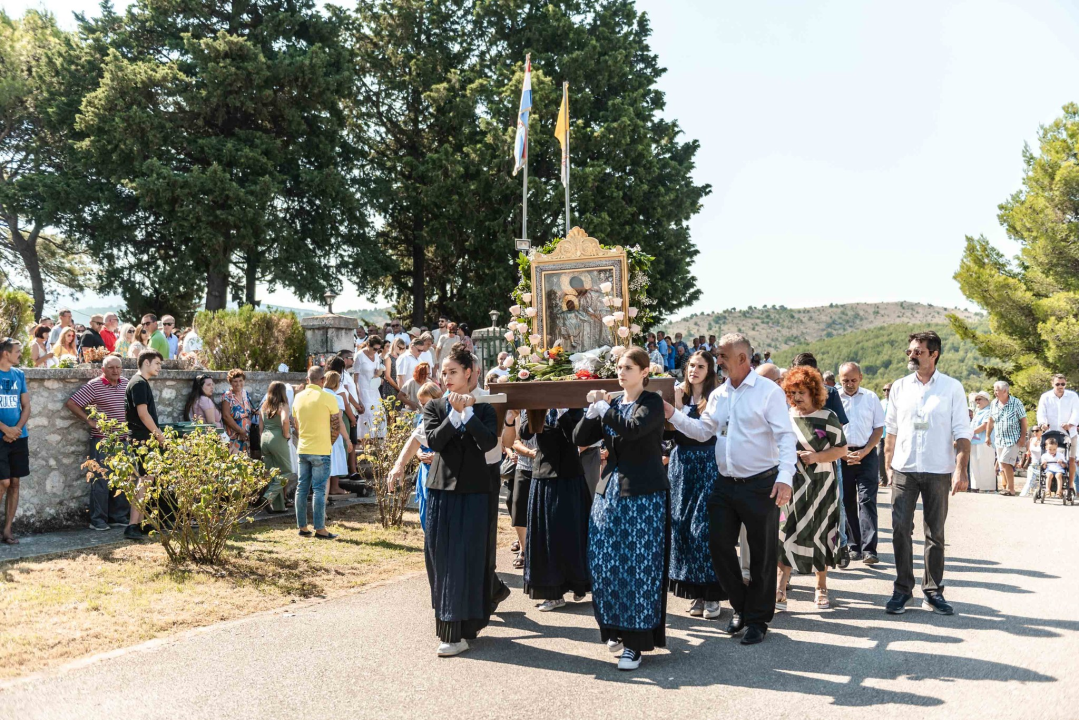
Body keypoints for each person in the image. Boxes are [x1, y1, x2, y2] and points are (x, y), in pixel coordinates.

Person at [663, 332, 796, 647]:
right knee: (718, 548)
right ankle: (741, 604)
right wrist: (672, 414)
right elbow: (702, 431)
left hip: (762, 484)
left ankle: (757, 620)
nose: (717, 361)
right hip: (725, 485)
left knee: (763, 556)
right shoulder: (720, 395)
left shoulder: (768, 393)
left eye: (722, 356)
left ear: (742, 358)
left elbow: (785, 437)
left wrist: (786, 476)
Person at [573, 346, 669, 671]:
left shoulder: (651, 403)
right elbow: (579, 437)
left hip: (642, 494)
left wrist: (604, 408)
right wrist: (592, 412)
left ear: (644, 372)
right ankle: (613, 627)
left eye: (628, 367)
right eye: (619, 366)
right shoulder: (612, 404)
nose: (621, 371)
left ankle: (636, 644)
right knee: (604, 562)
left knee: (638, 567)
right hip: (608, 492)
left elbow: (634, 430)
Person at [884, 330, 971, 616]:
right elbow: (892, 431)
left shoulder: (951, 388)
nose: (912, 355)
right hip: (904, 469)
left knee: (935, 533)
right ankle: (902, 590)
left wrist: (961, 470)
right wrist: (887, 464)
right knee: (900, 529)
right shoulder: (899, 387)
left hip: (937, 469)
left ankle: (932, 592)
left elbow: (961, 432)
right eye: (910, 351)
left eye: (918, 351)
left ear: (934, 354)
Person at [422, 345, 502, 657]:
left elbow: (488, 441)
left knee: (470, 557)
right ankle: (449, 628)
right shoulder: (435, 407)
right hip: (441, 492)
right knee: (443, 558)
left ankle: (468, 624)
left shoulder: (483, 408)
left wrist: (467, 413)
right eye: (443, 373)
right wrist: (454, 415)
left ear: (469, 373)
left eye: (453, 371)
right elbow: (435, 441)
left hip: (475, 492)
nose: (446, 377)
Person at [776, 366, 847, 611]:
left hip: (822, 485)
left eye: (801, 393)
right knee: (785, 532)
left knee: (819, 532)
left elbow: (842, 450)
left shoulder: (828, 417)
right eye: (792, 393)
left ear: (813, 392)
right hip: (791, 484)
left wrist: (816, 457)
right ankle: (781, 588)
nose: (796, 398)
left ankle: (821, 587)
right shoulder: (785, 416)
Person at [668, 350, 724, 620]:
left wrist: (678, 411)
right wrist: (675, 404)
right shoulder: (677, 392)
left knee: (703, 530)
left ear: (710, 370)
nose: (694, 370)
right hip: (681, 466)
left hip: (707, 463)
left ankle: (713, 594)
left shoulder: (715, 397)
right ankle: (695, 593)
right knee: (681, 527)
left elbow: (705, 432)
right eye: (691, 365)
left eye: (700, 366)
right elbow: (667, 429)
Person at [519, 405, 591, 612]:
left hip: (571, 477)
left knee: (574, 531)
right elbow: (524, 433)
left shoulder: (575, 410)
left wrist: (563, 413)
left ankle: (579, 583)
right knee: (547, 534)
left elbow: (577, 439)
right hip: (544, 475)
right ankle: (553, 593)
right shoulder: (537, 409)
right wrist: (533, 412)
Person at [65, 355, 131, 530]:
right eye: (111, 368)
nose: (115, 371)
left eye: (118, 367)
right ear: (103, 369)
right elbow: (72, 403)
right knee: (100, 481)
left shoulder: (125, 383)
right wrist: (89, 421)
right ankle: (98, 520)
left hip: (122, 440)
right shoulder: (94, 385)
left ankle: (118, 516)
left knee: (121, 479)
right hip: (102, 441)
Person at [836, 362, 885, 565]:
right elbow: (831, 429)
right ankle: (853, 546)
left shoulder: (871, 398)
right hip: (841, 455)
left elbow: (878, 429)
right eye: (845, 380)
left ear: (861, 378)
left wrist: (864, 452)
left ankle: (869, 549)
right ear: (840, 379)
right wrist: (843, 452)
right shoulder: (834, 398)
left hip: (866, 455)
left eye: (853, 380)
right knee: (847, 500)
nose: (849, 384)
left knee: (867, 500)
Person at [292, 365, 342, 540]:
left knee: (301, 488)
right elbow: (336, 425)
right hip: (321, 448)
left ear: (307, 379)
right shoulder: (328, 397)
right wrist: (329, 442)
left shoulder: (298, 398)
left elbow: (296, 424)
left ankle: (302, 526)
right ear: (323, 380)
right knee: (319, 489)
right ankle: (320, 528)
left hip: (303, 448)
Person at [123, 350, 165, 541]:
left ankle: (141, 523)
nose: (159, 367)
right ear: (146, 363)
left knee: (147, 480)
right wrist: (159, 436)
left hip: (145, 439)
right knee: (144, 480)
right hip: (142, 439)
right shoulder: (139, 383)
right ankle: (132, 525)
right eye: (157, 363)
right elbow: (143, 414)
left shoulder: (141, 382)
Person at [388, 381, 442, 529]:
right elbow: (416, 441)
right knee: (425, 507)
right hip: (425, 467)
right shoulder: (422, 418)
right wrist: (419, 454)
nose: (423, 407)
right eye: (421, 404)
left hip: (439, 468)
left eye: (426, 404)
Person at [0, 337, 30, 545]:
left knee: (15, 483)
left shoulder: (19, 374)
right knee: (4, 482)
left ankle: (8, 530)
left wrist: (17, 429)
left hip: (19, 436)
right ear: (5, 353)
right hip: (1, 437)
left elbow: (26, 406)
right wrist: (6, 430)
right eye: (17, 351)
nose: (20, 354)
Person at [1036, 374, 1078, 495]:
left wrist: (1070, 423)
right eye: (1057, 384)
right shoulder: (1045, 397)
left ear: (1066, 383)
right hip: (1051, 432)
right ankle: (1047, 486)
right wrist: (1043, 423)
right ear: (1052, 384)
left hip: (1069, 432)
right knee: (1048, 457)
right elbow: (1041, 412)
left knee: (1071, 459)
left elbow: (1076, 411)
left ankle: (1070, 485)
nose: (1060, 386)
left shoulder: (1072, 396)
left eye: (1063, 384)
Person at [985, 380, 1027, 497]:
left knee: (1004, 462)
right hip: (999, 439)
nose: (995, 393)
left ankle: (1011, 489)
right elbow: (991, 420)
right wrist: (988, 436)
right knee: (1004, 464)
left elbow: (1023, 420)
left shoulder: (1016, 402)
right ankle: (1008, 487)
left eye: (996, 390)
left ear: (1005, 391)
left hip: (1013, 439)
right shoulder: (994, 403)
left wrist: (1023, 437)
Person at [507, 411, 537, 568]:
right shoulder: (523, 410)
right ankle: (524, 550)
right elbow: (515, 441)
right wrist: (530, 453)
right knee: (518, 508)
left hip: (549, 467)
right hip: (524, 466)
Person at [258, 381, 293, 513]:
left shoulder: (264, 405)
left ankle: (279, 507)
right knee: (286, 471)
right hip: (277, 438)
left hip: (265, 438)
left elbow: (260, 427)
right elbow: (285, 420)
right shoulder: (283, 405)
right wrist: (286, 434)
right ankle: (268, 497)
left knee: (273, 473)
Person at [323, 371, 354, 496]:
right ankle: (334, 487)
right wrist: (348, 439)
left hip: (320, 432)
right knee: (335, 461)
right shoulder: (337, 398)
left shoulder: (320, 395)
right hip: (333, 434)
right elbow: (339, 421)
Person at [221, 369, 257, 456]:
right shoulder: (227, 396)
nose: (238, 384)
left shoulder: (245, 393)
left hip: (246, 435)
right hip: (234, 436)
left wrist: (253, 411)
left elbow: (245, 409)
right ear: (230, 383)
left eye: (240, 380)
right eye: (235, 381)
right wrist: (241, 431)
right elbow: (226, 416)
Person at [353, 336, 381, 439]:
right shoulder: (359, 356)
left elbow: (376, 371)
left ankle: (375, 443)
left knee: (378, 415)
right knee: (367, 416)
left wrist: (378, 373)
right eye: (374, 349)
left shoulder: (376, 355)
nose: (376, 351)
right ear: (368, 345)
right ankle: (364, 443)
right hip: (363, 391)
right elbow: (355, 379)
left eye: (378, 349)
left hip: (374, 389)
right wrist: (358, 398)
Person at [969, 391, 995, 493]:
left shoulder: (989, 411)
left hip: (985, 441)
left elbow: (984, 426)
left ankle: (987, 487)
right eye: (976, 400)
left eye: (979, 399)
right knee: (974, 463)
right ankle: (976, 486)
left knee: (986, 463)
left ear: (986, 400)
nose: (977, 402)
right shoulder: (978, 412)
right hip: (974, 441)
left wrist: (970, 432)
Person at [879, 383, 892, 486]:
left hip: (892, 436)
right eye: (885, 390)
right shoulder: (881, 403)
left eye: (888, 390)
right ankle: (884, 480)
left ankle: (892, 479)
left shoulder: (897, 403)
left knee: (892, 457)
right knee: (880, 457)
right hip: (881, 435)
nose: (886, 392)